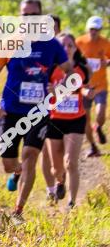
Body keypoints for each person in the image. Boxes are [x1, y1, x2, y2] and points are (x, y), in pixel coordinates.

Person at [0, 0, 73, 220]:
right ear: (20, 17)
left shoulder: (51, 44)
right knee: (9, 164)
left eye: (34, 15)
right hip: (10, 110)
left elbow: (68, 71)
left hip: (39, 111)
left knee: (31, 154)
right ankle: (16, 171)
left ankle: (18, 211)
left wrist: (59, 87)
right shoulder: (11, 42)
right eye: (25, 15)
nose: (29, 19)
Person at [46, 33, 91, 209]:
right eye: (63, 45)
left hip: (76, 120)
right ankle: (60, 180)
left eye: (70, 45)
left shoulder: (82, 68)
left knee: (71, 162)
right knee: (56, 168)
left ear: (75, 48)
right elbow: (45, 90)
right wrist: (51, 90)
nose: (66, 48)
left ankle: (71, 203)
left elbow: (86, 88)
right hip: (55, 120)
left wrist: (88, 93)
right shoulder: (51, 68)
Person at [76, 16, 109, 157]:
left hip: (100, 85)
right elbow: (72, 58)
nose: (93, 32)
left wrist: (106, 63)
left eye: (96, 29)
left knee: (101, 113)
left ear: (100, 30)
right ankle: (93, 146)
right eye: (91, 29)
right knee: (86, 119)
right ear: (87, 29)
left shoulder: (105, 43)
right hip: (85, 86)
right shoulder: (79, 41)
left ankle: (99, 127)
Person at [40, 15, 63, 201]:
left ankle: (61, 181)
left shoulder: (65, 54)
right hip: (47, 109)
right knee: (45, 152)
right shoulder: (42, 52)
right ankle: (50, 190)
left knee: (61, 152)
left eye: (54, 28)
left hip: (68, 112)